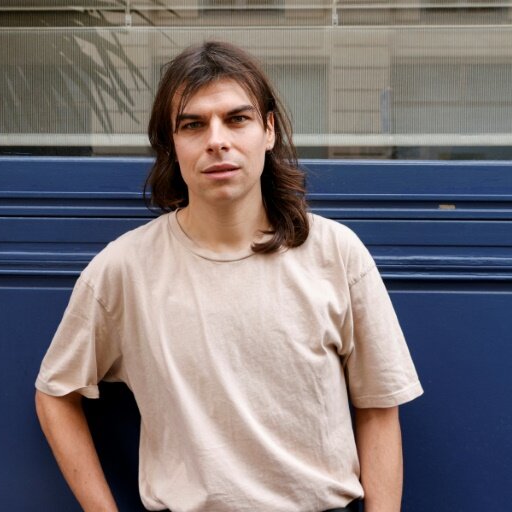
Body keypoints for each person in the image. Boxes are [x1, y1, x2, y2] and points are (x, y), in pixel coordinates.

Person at [35, 41, 423, 512]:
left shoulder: (335, 253)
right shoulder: (125, 269)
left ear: (269, 130)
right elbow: (55, 395)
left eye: (236, 119)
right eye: (193, 124)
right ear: (172, 145)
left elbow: (380, 408)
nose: (216, 140)